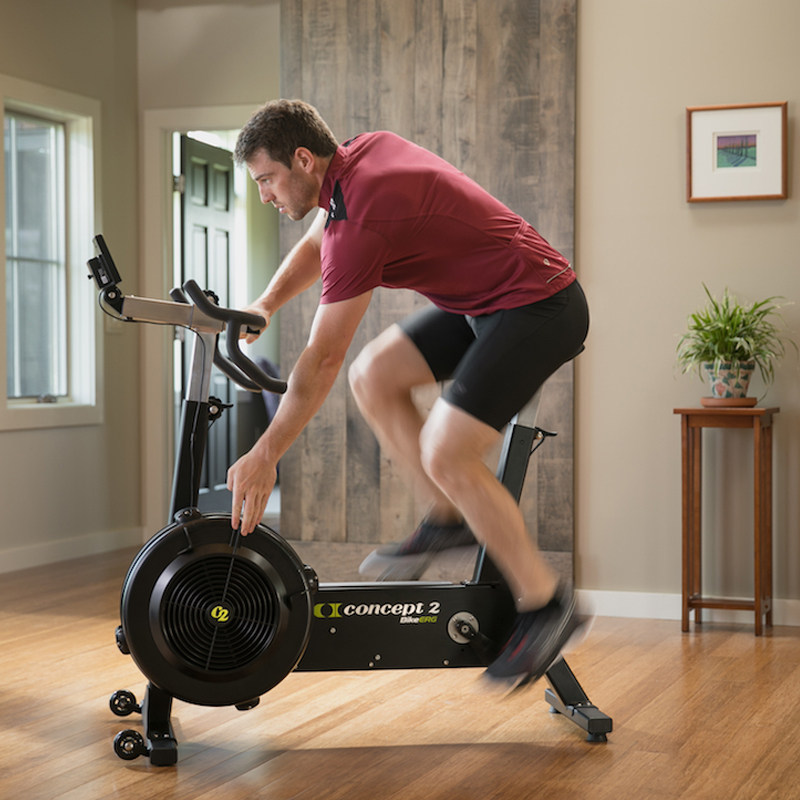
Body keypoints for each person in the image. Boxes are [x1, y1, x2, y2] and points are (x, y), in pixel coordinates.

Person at [227, 99, 590, 688]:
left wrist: (266, 453)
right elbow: (317, 242)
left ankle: (547, 602)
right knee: (373, 375)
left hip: (539, 304)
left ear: (303, 159)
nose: (265, 195)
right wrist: (266, 304)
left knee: (447, 451)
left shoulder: (363, 216)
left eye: (267, 179)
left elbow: (321, 358)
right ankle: (449, 516)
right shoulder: (354, 161)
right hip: (483, 302)